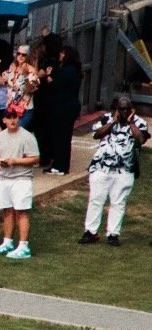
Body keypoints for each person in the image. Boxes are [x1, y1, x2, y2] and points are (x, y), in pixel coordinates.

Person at [84, 95, 145, 245]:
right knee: (96, 199)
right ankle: (90, 232)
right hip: (101, 167)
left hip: (125, 169)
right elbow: (96, 134)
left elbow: (141, 139)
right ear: (116, 109)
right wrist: (113, 122)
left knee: (118, 202)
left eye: (127, 109)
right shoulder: (106, 119)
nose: (124, 112)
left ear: (131, 109)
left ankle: (113, 234)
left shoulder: (139, 122)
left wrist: (130, 123)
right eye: (121, 109)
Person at [0, 104, 40, 259]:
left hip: (21, 179)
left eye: (14, 117)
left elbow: (35, 158)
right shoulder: (0, 136)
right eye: (9, 118)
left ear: (18, 118)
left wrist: (15, 161)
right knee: (7, 211)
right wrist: (0, 160)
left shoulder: (27, 137)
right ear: (4, 120)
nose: (12, 120)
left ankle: (24, 246)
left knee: (21, 212)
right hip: (4, 178)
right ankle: (7, 242)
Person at [34, 34, 82, 174]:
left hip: (64, 108)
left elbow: (56, 86)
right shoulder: (74, 70)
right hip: (69, 107)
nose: (60, 55)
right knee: (63, 137)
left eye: (62, 53)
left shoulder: (67, 71)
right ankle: (60, 165)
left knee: (61, 138)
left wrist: (48, 77)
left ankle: (59, 166)